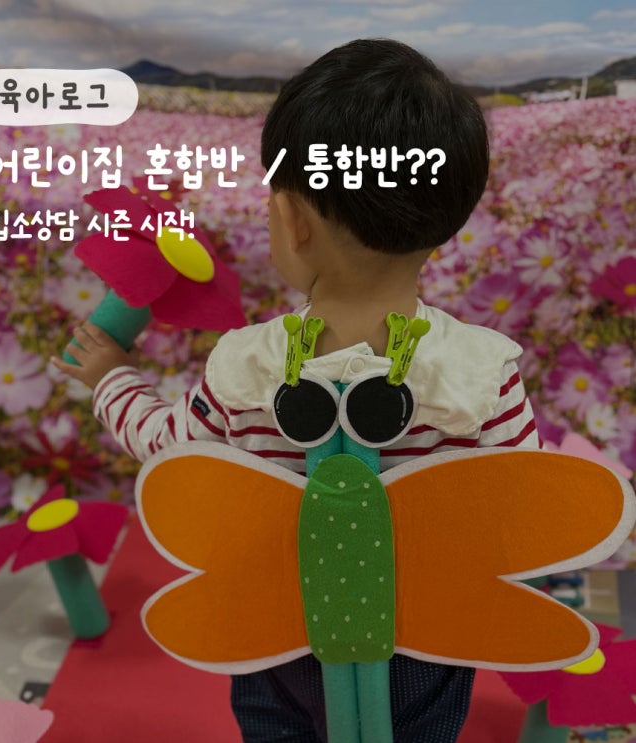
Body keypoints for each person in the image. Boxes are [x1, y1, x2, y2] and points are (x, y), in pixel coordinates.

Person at [51, 38, 539, 743]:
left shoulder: (243, 367)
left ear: (291, 218)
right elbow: (515, 511)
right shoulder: (484, 371)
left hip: (277, 624)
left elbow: (171, 453)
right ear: (450, 217)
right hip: (425, 635)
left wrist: (109, 378)